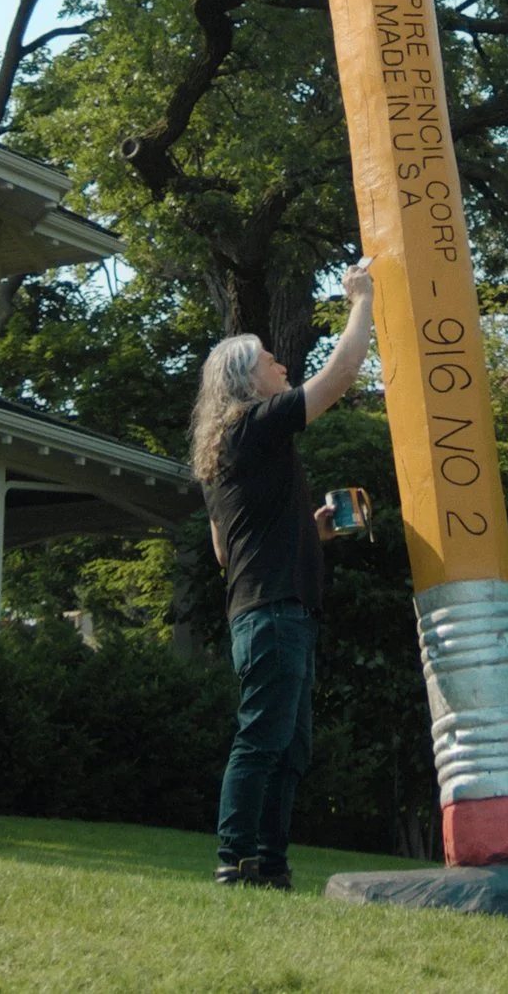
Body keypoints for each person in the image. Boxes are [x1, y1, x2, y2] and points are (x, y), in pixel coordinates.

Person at [190, 257, 375, 890]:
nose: (283, 367)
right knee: (264, 740)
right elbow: (342, 373)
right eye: (272, 362)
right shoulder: (254, 425)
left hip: (270, 608)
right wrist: (360, 298)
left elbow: (225, 551)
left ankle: (268, 866)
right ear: (248, 380)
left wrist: (315, 529)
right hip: (272, 613)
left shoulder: (228, 452)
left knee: (288, 749)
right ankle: (236, 861)